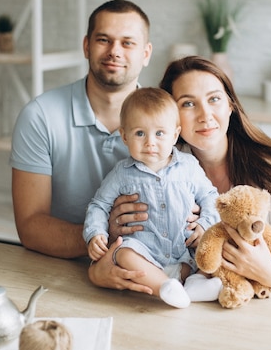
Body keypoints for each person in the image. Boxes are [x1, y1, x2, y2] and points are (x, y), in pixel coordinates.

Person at [111, 55, 271, 295]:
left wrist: (270, 274)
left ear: (230, 105)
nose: (205, 115)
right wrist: (115, 233)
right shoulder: (154, 169)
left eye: (214, 99)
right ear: (170, 114)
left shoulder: (269, 172)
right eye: (188, 104)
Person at [10, 0, 154, 294]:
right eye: (104, 40)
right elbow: (30, 226)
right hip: (58, 272)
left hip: (149, 271)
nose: (115, 51)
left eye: (128, 43)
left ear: (146, 53)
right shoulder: (40, 116)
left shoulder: (169, 119)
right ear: (87, 46)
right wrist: (100, 236)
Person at [83, 87, 221, 308]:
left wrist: (205, 223)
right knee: (122, 252)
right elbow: (99, 205)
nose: (150, 143)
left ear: (175, 135)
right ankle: (165, 287)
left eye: (159, 133)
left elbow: (211, 197)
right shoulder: (121, 173)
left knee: (212, 247)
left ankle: (195, 283)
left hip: (183, 251)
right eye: (140, 133)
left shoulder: (189, 166)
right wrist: (95, 233)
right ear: (124, 136)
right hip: (144, 254)